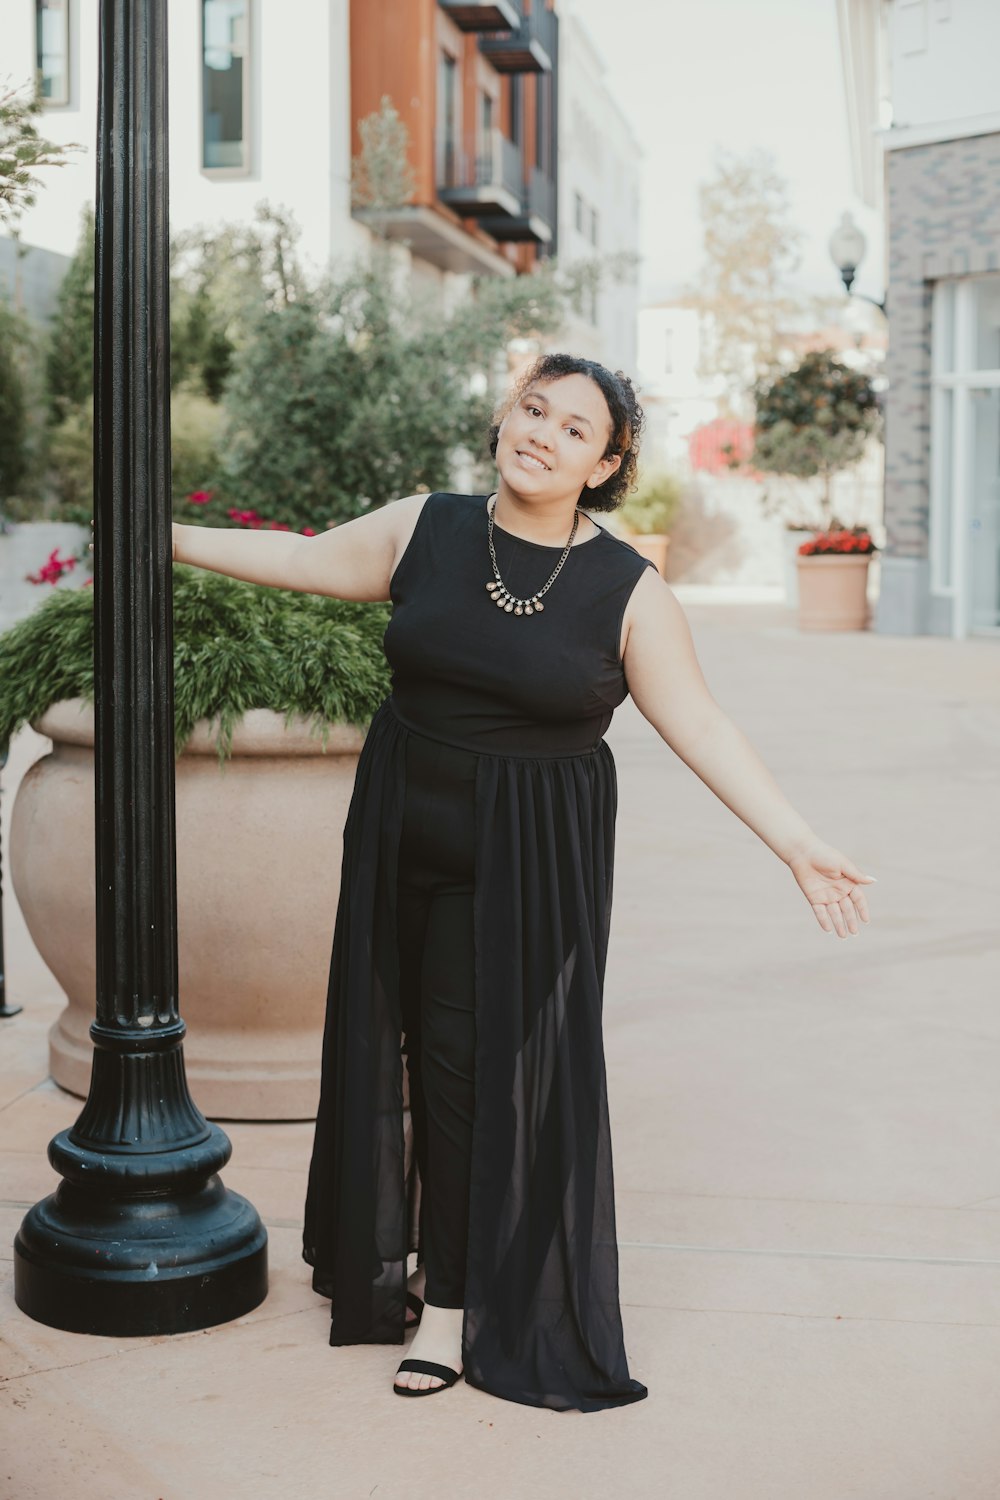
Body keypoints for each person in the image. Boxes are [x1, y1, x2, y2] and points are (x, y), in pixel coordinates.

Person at [172, 351, 875, 1412]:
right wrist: (159, 534)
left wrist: (795, 841)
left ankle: (453, 1302)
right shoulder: (429, 527)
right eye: (532, 408)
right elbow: (305, 558)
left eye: (574, 428)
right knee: (392, 1038)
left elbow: (699, 724)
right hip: (398, 829)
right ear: (504, 414)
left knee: (461, 1070)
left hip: (524, 861)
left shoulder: (627, 591)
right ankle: (404, 1255)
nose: (541, 433)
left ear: (605, 464)